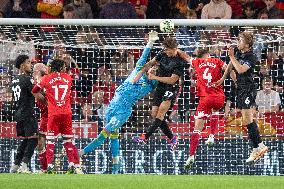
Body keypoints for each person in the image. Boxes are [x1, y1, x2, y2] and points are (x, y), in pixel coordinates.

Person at [79, 31, 159, 174]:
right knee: (113, 138)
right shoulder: (137, 70)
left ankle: (82, 152)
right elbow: (144, 56)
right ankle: (116, 169)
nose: (152, 68)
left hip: (123, 111)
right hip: (112, 106)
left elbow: (159, 78)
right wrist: (151, 42)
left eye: (155, 69)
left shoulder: (151, 84)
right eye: (152, 67)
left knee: (104, 134)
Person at [216, 32, 268, 164]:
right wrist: (222, 78)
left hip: (248, 89)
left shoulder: (252, 57)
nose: (238, 42)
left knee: (248, 119)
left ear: (247, 44)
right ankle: (257, 147)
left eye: (240, 40)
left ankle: (260, 146)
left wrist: (232, 56)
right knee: (247, 120)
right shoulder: (239, 54)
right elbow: (230, 65)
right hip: (240, 89)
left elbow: (239, 69)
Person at [132, 37, 188, 151]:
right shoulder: (162, 54)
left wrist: (154, 77)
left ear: (176, 48)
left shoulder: (180, 61)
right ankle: (172, 137)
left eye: (171, 50)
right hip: (161, 87)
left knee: (160, 114)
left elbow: (173, 80)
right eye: (167, 50)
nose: (169, 53)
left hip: (171, 88)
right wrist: (141, 72)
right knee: (154, 114)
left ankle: (145, 137)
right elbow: (150, 63)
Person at [32, 59, 81, 174]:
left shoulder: (46, 78)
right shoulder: (68, 77)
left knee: (50, 141)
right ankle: (72, 165)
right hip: (67, 113)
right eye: (64, 67)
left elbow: (34, 90)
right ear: (60, 68)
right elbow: (72, 78)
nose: (65, 69)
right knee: (68, 140)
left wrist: (45, 100)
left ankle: (49, 167)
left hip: (53, 113)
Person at [183, 49, 228, 169]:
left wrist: (176, 50)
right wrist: (228, 79)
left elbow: (186, 57)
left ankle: (191, 155)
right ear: (208, 55)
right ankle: (212, 136)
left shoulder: (197, 62)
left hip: (205, 98)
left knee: (197, 129)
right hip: (219, 97)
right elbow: (228, 68)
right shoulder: (217, 61)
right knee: (215, 111)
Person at [10, 55, 39, 173]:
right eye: (28, 63)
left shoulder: (14, 80)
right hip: (27, 112)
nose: (31, 65)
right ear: (22, 66)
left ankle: (15, 165)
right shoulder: (27, 79)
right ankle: (24, 165)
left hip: (18, 113)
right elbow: (35, 93)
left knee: (26, 139)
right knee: (34, 139)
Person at [32, 63, 49, 173]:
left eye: (34, 71)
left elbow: (41, 98)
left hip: (49, 115)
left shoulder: (42, 81)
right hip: (45, 115)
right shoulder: (40, 82)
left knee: (41, 141)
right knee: (67, 140)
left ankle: (45, 168)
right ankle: (45, 168)